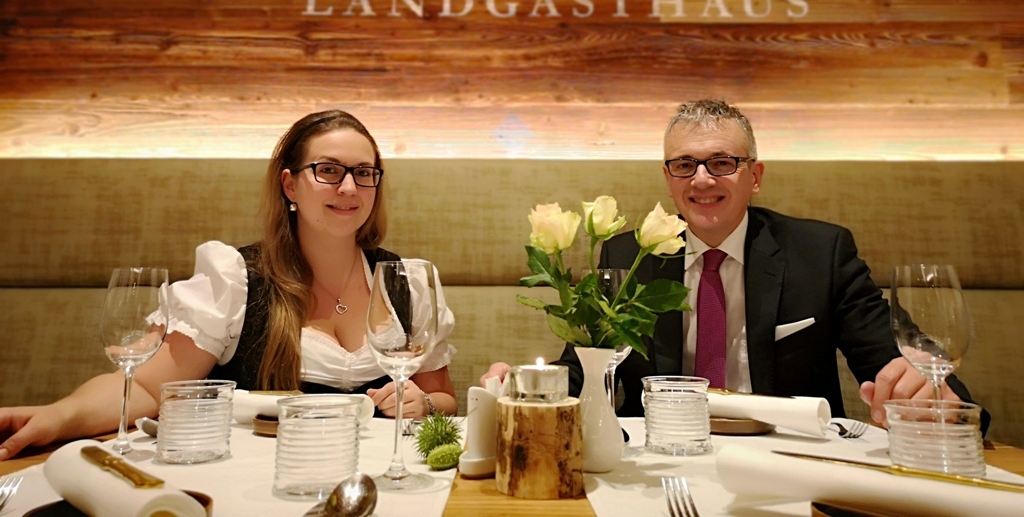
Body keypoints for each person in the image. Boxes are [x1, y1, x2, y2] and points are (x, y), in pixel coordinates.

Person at [483, 99, 985, 430]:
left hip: (784, 460)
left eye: (722, 162)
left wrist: (939, 404)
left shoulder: (821, 253)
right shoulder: (626, 257)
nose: (701, 180)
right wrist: (523, 389)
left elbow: (908, 366)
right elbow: (582, 374)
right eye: (684, 165)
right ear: (668, 178)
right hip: (658, 464)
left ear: (755, 175)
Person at [0, 110, 457, 461]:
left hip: (378, 477)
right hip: (264, 481)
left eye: (364, 172)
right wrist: (57, 417)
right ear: (290, 186)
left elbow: (443, 397)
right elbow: (145, 388)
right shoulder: (237, 278)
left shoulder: (406, 282)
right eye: (329, 170)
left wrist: (423, 404)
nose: (350, 188)